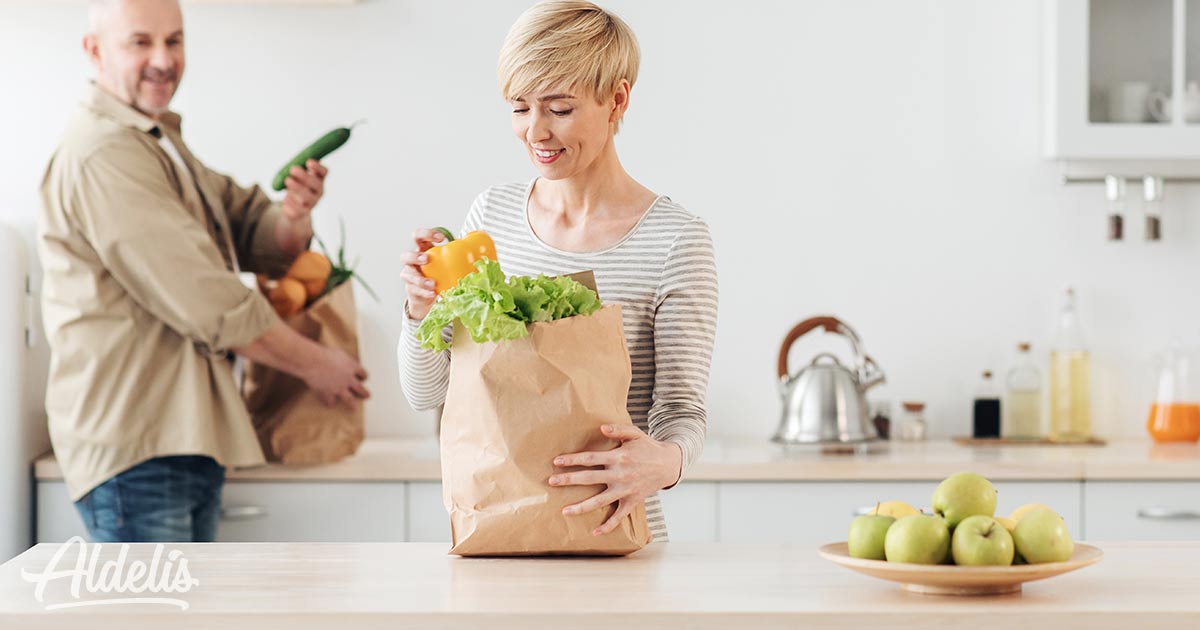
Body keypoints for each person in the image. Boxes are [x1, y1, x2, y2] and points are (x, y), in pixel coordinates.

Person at [38, 0, 369, 543]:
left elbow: (245, 222)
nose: (164, 60)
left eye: (175, 40)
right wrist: (315, 364)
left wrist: (294, 215)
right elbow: (207, 300)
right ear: (94, 50)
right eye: (140, 42)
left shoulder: (156, 140)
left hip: (179, 440)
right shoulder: (105, 154)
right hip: (139, 446)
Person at [398, 0, 718, 542]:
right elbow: (426, 394)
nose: (535, 132)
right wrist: (420, 312)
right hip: (500, 533)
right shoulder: (489, 220)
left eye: (560, 109)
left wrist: (666, 463)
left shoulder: (675, 239)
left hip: (616, 539)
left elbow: (681, 411)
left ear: (617, 99)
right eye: (520, 108)